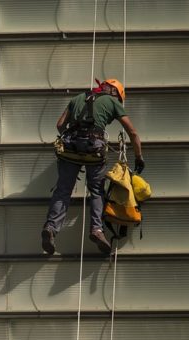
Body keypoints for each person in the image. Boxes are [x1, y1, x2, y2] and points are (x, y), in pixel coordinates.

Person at [41, 79, 144, 255]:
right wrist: (138, 157)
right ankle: (96, 230)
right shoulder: (112, 101)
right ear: (115, 92)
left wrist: (75, 139)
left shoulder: (78, 98)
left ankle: (51, 228)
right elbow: (132, 132)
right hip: (93, 151)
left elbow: (60, 125)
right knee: (96, 191)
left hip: (70, 149)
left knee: (63, 191)